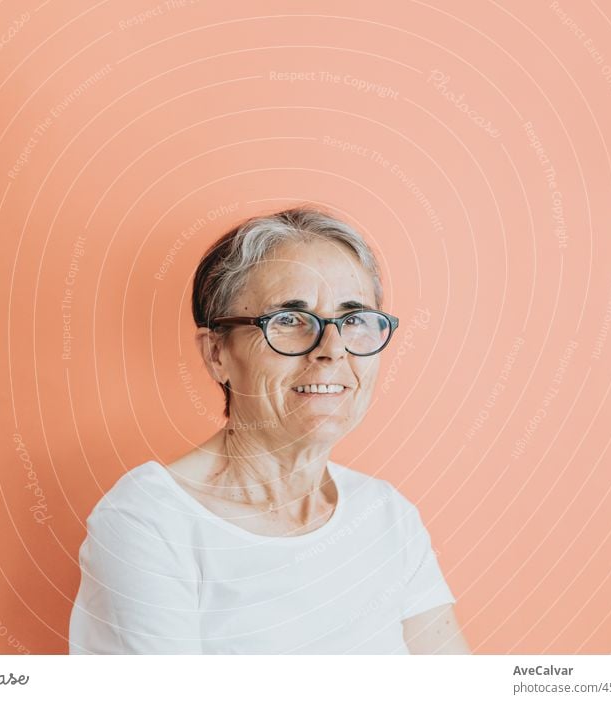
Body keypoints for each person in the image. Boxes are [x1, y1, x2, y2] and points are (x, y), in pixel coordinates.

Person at [68, 206, 470, 654]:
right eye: (289, 320)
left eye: (353, 319)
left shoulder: (386, 516)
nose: (331, 350)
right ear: (217, 353)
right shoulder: (150, 522)